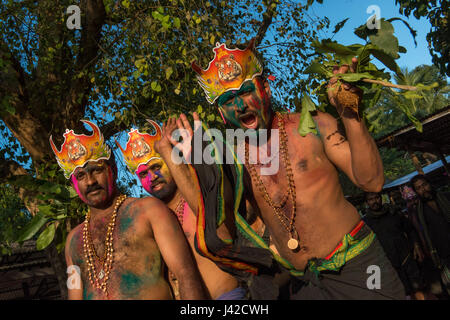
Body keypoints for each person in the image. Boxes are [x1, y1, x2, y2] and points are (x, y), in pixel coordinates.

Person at [157, 40, 405, 299]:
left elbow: (372, 182)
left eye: (245, 92)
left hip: (358, 266)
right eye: (229, 99)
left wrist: (349, 112)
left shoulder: (313, 126)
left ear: (265, 88)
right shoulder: (232, 159)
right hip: (303, 282)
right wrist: (188, 163)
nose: (240, 106)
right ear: (221, 113)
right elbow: (218, 224)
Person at [50, 120, 206, 300]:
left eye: (97, 171)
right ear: (73, 184)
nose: (91, 181)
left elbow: (185, 273)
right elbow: (74, 293)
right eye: (81, 176)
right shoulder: (72, 242)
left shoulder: (148, 210)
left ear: (113, 170)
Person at [116, 121, 245, 300]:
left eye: (156, 167)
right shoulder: (149, 218)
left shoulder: (198, 195)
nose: (152, 177)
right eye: (143, 174)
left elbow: (214, 221)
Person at [364, 192, 425, 299]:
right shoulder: (366, 223)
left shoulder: (394, 213)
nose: (375, 201)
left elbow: (410, 230)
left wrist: (416, 246)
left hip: (406, 257)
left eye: (377, 197)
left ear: (381, 198)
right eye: (371, 199)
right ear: (367, 203)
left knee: (418, 288)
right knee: (402, 293)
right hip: (387, 263)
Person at [410, 174, 450, 297]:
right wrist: (417, 245)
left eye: (424, 185)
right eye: (419, 188)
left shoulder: (447, 197)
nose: (424, 189)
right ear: (416, 192)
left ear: (429, 183)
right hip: (443, 254)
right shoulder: (418, 212)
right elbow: (416, 232)